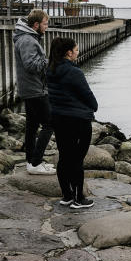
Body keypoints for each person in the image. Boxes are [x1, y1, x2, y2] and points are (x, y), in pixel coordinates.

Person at [47, 37, 98, 209]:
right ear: (68, 53)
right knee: (77, 160)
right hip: (78, 121)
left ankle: (67, 196)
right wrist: (94, 107)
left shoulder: (50, 70)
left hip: (59, 118)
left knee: (64, 157)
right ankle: (79, 199)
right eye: (76, 50)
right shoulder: (75, 72)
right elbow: (89, 97)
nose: (77, 52)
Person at [13, 9, 56, 175]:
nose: (47, 27)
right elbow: (31, 65)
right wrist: (50, 61)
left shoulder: (28, 38)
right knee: (49, 123)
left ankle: (31, 162)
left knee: (32, 126)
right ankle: (36, 163)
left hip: (31, 88)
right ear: (36, 24)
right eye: (45, 24)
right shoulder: (27, 40)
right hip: (35, 89)